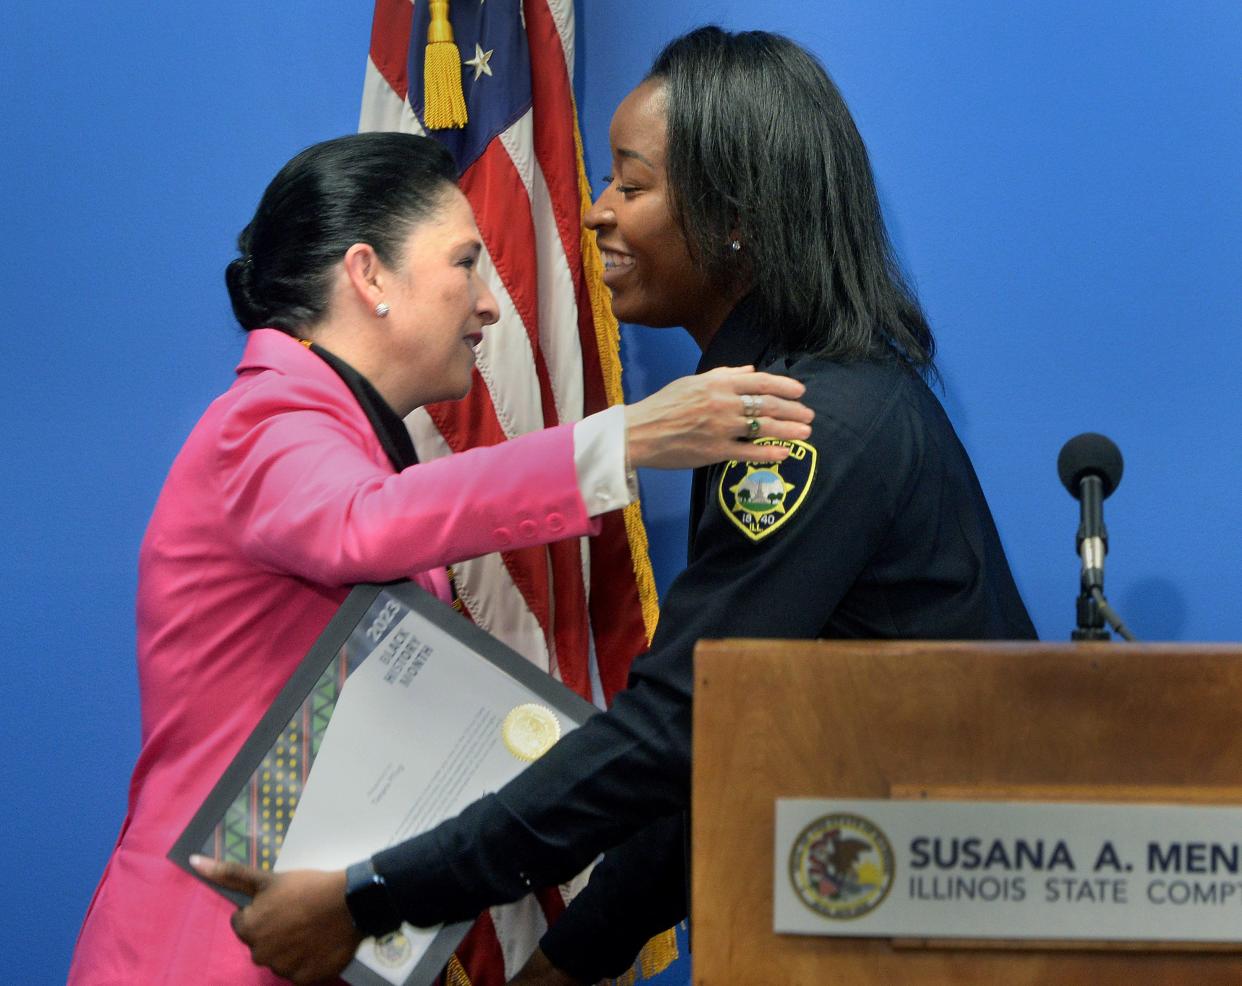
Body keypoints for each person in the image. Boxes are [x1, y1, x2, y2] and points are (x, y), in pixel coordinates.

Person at [195, 27, 1037, 986]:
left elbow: (676, 734)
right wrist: (568, 961)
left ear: (735, 217)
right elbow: (725, 748)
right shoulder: (805, 393)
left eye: (630, 186)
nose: (595, 213)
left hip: (930, 921)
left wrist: (377, 893)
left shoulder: (799, 422)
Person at [66, 130, 814, 986]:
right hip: (206, 948)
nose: (491, 304)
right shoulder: (263, 422)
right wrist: (625, 439)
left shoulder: (349, 439)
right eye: (466, 262)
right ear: (369, 275)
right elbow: (362, 524)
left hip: (308, 941)